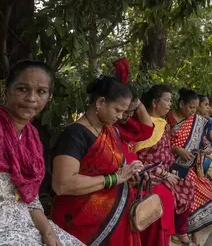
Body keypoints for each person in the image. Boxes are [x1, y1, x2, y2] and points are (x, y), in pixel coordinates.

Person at [0, 60, 84, 246]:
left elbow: (30, 199)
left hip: (26, 226)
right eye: (22, 89)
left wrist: (48, 233)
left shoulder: (32, 140)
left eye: (41, 92)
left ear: (49, 97)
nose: (31, 98)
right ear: (6, 91)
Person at [52, 76, 144, 246]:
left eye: (124, 111)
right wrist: (115, 179)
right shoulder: (75, 135)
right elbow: (62, 184)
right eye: (118, 110)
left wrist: (130, 177)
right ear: (101, 102)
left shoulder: (111, 131)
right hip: (83, 222)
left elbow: (114, 170)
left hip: (115, 217)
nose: (121, 116)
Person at [135, 85, 196, 246]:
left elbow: (166, 151)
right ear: (155, 102)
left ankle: (180, 231)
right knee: (168, 194)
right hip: (150, 173)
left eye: (171, 101)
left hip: (167, 169)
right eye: (167, 100)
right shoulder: (144, 125)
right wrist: (164, 174)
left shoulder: (163, 123)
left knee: (188, 183)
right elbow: (141, 160)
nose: (170, 105)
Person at [168, 88, 212, 243]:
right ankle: (183, 231)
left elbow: (203, 141)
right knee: (191, 188)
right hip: (170, 165)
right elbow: (163, 144)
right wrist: (177, 150)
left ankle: (192, 230)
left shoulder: (197, 122)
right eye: (190, 107)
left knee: (205, 189)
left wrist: (206, 148)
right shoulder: (169, 119)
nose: (193, 111)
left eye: (195, 108)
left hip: (190, 166)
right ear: (181, 104)